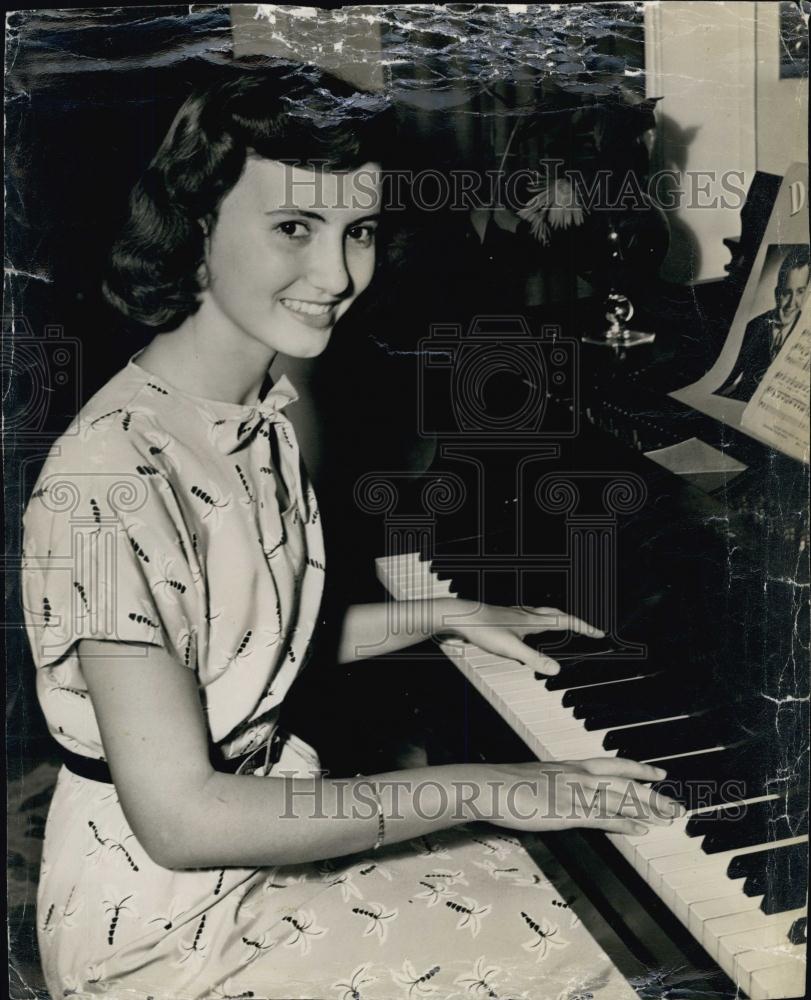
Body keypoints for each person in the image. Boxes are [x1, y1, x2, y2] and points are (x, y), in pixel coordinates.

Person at [21, 60, 680, 1000]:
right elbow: (183, 820)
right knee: (623, 957)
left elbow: (233, 650)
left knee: (602, 895)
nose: (336, 274)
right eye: (294, 227)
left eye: (358, 230)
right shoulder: (110, 482)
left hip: (256, 849)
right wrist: (489, 783)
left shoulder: (255, 408)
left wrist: (439, 616)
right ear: (198, 223)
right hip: (166, 930)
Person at [714, 245, 810, 402]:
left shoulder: (806, 331)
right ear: (776, 293)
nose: (792, 303)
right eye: (786, 292)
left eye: (800, 291)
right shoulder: (754, 326)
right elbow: (727, 378)